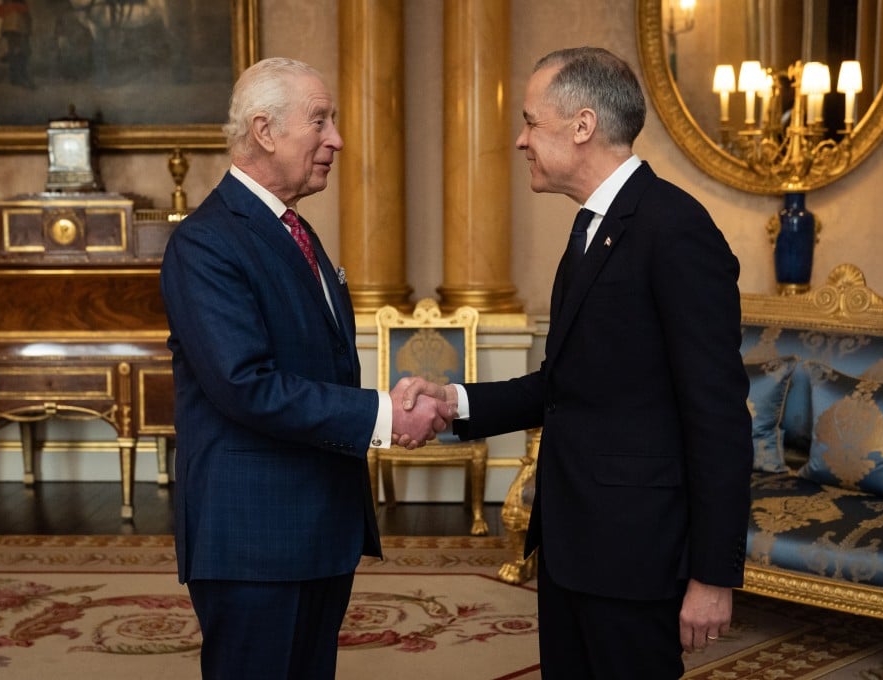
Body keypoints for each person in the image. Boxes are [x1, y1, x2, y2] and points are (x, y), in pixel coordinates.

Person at [401, 47, 753, 678]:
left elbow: (719, 414)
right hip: (573, 542)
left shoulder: (674, 229)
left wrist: (712, 575)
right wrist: (453, 402)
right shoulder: (592, 227)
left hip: (635, 553)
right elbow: (565, 386)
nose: (519, 140)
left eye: (532, 122)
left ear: (583, 126)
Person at [159, 57, 451, 680]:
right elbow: (246, 385)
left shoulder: (296, 231)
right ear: (264, 131)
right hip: (253, 538)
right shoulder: (207, 242)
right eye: (320, 120)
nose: (336, 139)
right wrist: (382, 414)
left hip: (317, 525)